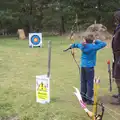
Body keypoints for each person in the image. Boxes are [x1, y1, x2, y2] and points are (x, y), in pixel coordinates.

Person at [64, 33, 107, 105]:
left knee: (83, 82)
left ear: (85, 40)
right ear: (92, 40)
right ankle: (89, 100)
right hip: (89, 67)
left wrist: (70, 46)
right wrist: (95, 41)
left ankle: (83, 99)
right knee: (89, 83)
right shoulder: (94, 47)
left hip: (83, 66)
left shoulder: (82, 46)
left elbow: (76, 45)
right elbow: (104, 44)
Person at [111, 10, 120, 104]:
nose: (115, 19)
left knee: (119, 76)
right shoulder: (118, 28)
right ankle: (119, 94)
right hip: (116, 54)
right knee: (117, 75)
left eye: (116, 17)